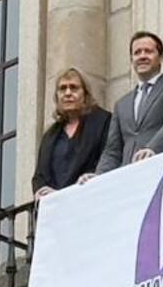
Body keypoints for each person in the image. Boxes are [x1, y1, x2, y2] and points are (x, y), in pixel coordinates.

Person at [88, 31, 163, 176]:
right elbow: (112, 150)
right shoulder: (121, 104)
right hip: (129, 179)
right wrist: (98, 177)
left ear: (161, 58)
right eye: (137, 53)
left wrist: (153, 149)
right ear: (131, 59)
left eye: (148, 51)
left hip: (161, 170)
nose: (142, 56)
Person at [32, 69, 111, 197]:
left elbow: (108, 159)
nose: (68, 93)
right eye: (62, 89)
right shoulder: (50, 136)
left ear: (85, 94)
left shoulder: (102, 121)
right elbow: (39, 176)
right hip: (55, 209)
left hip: (88, 199)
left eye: (73, 88)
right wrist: (40, 192)